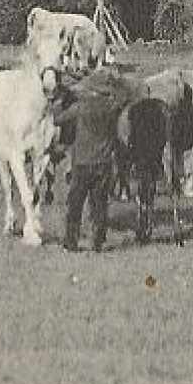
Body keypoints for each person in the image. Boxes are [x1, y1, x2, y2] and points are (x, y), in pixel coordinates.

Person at [50, 67, 142, 253]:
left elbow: (58, 119)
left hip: (82, 163)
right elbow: (126, 97)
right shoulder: (111, 107)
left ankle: (71, 243)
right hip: (104, 163)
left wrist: (58, 100)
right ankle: (97, 242)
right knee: (99, 205)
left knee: (75, 205)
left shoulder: (80, 107)